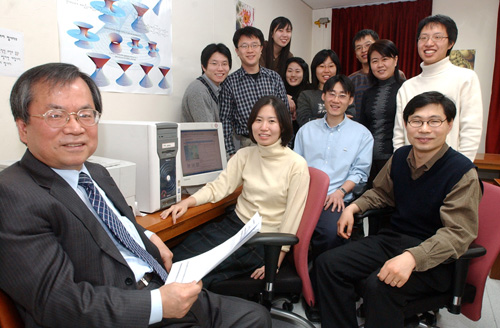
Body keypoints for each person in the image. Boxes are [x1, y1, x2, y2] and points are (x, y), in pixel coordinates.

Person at [0, 63, 271, 328]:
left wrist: (150, 237)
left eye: (85, 114)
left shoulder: (95, 172)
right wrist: (158, 304)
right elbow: (58, 304)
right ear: (23, 128)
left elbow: (118, 222)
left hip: (159, 286)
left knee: (256, 316)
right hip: (122, 311)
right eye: (56, 115)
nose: (75, 128)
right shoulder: (13, 194)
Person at [316, 91, 482, 327]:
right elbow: (381, 192)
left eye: (434, 121)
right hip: (393, 241)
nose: (424, 129)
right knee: (328, 263)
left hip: (436, 259)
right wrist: (353, 207)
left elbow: (458, 234)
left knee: (380, 285)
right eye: (416, 121)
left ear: (450, 124)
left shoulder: (462, 172)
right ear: (406, 124)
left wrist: (413, 258)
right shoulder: (401, 156)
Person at [162, 96, 309, 288]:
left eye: (272, 121)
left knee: (195, 274)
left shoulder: (296, 165)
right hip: (235, 225)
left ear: (283, 125)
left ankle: (179, 310)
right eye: (258, 120)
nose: (264, 127)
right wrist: (187, 202)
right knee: (177, 257)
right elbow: (219, 187)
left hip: (264, 238)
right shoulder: (245, 155)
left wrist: (276, 260)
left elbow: (292, 217)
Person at [294, 75, 373, 260]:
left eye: (342, 95)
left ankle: (322, 278)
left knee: (330, 233)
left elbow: (360, 172)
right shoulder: (306, 130)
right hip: (304, 197)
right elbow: (296, 166)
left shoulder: (362, 134)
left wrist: (340, 192)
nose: (336, 100)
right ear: (323, 96)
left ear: (350, 100)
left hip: (335, 199)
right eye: (332, 94)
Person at [393, 14, 483, 162]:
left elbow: (470, 130)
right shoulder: (407, 86)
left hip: (450, 168)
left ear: (450, 43)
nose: (429, 43)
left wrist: (460, 169)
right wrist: (402, 164)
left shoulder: (465, 78)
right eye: (423, 37)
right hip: (413, 168)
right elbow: (399, 134)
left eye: (437, 37)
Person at [220, 26, 289, 157]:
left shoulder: (274, 78)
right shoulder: (229, 82)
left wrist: (286, 144)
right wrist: (230, 153)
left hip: (276, 143)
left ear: (261, 48)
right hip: (247, 144)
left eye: (254, 45)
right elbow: (225, 121)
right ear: (237, 51)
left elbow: (285, 115)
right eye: (244, 46)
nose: (250, 50)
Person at [359, 39, 405, 184]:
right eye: (374, 61)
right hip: (369, 161)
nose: (380, 65)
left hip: (396, 159)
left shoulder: (406, 89)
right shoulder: (368, 93)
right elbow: (363, 128)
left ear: (395, 60)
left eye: (385, 59)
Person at [181, 43, 232, 122]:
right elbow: (207, 130)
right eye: (214, 64)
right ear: (204, 67)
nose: (220, 68)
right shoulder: (199, 90)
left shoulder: (216, 88)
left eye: (224, 64)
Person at [296, 49, 341, 126]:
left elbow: (350, 118)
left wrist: (316, 120)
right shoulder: (306, 95)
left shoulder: (344, 93)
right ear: (314, 69)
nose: (326, 70)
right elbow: (304, 120)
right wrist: (335, 120)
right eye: (322, 66)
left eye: (331, 66)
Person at [348, 29, 380, 120]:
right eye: (359, 48)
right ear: (355, 54)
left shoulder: (394, 75)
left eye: (368, 45)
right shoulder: (351, 80)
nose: (364, 50)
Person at [283, 57, 310, 142]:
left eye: (297, 71)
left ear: (304, 73)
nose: (293, 75)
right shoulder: (279, 90)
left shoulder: (310, 91)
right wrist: (284, 96)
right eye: (290, 71)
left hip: (304, 138)